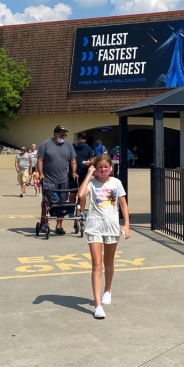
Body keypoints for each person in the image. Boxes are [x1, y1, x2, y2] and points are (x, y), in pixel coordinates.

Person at [77, 153, 131, 320]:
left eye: (105, 167)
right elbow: (81, 195)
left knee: (109, 262)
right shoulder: (91, 183)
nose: (103, 170)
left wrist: (126, 225)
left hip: (112, 227)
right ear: (95, 168)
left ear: (110, 168)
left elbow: (123, 204)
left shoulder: (116, 183)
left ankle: (108, 290)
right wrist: (88, 175)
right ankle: (98, 305)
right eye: (99, 167)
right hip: (94, 227)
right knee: (97, 266)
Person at [37, 125, 77, 235]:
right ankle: (44, 221)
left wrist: (74, 172)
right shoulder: (46, 144)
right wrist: (41, 173)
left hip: (63, 179)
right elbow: (40, 160)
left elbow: (73, 160)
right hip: (49, 179)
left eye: (65, 135)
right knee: (47, 201)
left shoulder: (68, 145)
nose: (64, 136)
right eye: (62, 134)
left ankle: (59, 225)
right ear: (55, 134)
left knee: (62, 203)